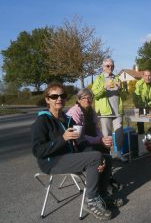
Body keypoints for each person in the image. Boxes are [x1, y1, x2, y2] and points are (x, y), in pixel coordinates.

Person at [31, 83, 112, 221]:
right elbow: (38, 151)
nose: (59, 99)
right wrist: (62, 138)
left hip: (69, 157)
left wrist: (99, 159)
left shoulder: (68, 120)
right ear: (47, 99)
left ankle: (102, 197)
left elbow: (80, 142)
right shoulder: (42, 120)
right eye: (54, 96)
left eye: (62, 95)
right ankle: (91, 201)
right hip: (52, 162)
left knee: (106, 158)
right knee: (95, 157)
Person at [66, 88, 122, 195]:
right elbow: (79, 136)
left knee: (105, 147)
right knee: (97, 154)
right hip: (78, 144)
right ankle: (100, 184)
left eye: (89, 98)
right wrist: (99, 140)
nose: (87, 100)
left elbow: (96, 129)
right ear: (78, 99)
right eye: (84, 98)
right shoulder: (75, 112)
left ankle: (107, 178)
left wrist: (103, 139)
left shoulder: (91, 111)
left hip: (90, 140)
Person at [91, 58, 128, 162]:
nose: (110, 68)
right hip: (104, 112)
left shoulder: (117, 78)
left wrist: (121, 89)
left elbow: (125, 96)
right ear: (103, 67)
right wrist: (104, 87)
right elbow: (95, 94)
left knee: (119, 133)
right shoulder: (99, 79)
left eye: (112, 66)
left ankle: (119, 153)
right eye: (108, 66)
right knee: (106, 135)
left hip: (117, 111)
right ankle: (107, 156)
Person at [133, 70, 151, 134]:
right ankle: (141, 134)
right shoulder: (139, 83)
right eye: (146, 76)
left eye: (149, 76)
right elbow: (136, 97)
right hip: (142, 104)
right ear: (143, 76)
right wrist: (142, 107)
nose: (148, 78)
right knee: (140, 120)